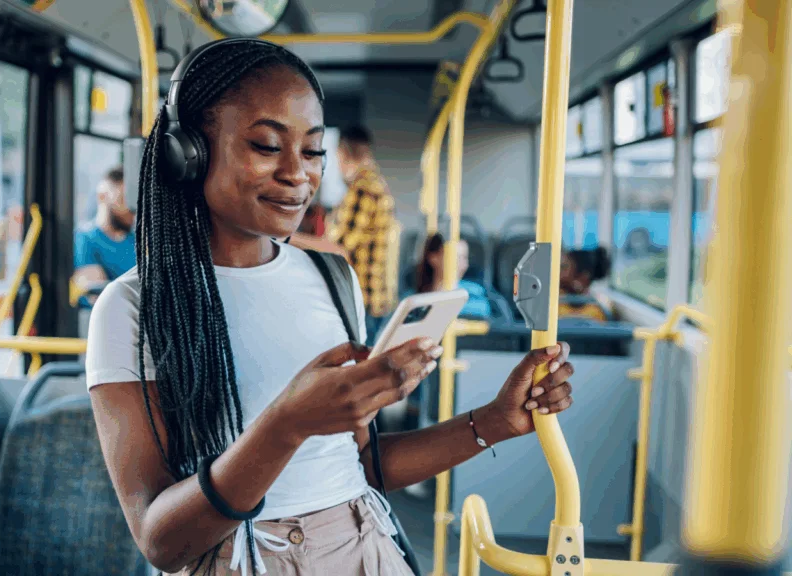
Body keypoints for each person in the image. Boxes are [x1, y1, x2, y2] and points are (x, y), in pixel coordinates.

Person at [85, 38, 577, 576]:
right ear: (189, 153)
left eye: (314, 150)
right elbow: (160, 541)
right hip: (243, 559)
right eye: (267, 146)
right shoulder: (131, 308)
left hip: (364, 545)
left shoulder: (331, 276)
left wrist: (493, 422)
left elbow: (361, 465)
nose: (299, 174)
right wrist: (286, 426)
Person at [327, 125, 397, 345]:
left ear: (343, 152)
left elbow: (338, 248)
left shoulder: (364, 187)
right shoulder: (374, 184)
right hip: (374, 300)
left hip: (364, 300)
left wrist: (287, 239)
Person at [73, 167, 136, 304]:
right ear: (102, 197)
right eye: (123, 200)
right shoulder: (85, 238)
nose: (131, 210)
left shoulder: (137, 242)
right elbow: (98, 295)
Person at [559, 247, 614, 321]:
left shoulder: (599, 311)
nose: (558, 273)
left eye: (564, 268)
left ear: (582, 278)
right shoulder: (554, 298)